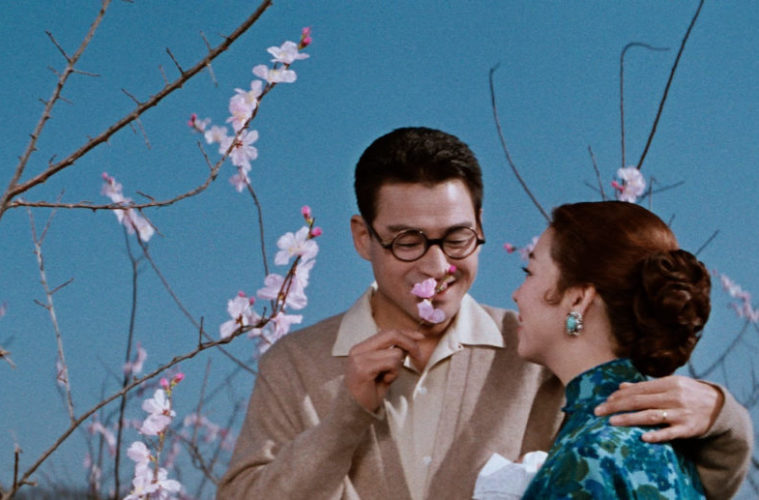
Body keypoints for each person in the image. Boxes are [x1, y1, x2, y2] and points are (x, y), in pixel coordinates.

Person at [217, 127, 752, 500]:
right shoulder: (296, 364)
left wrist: (721, 417)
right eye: (407, 241)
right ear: (363, 237)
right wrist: (344, 421)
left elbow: (662, 479)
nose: (436, 266)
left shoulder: (540, 353)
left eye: (457, 238)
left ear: (480, 224)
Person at [513, 201, 752, 498]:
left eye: (529, 272)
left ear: (578, 300)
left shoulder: (590, 455)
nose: (516, 294)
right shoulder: (671, 449)